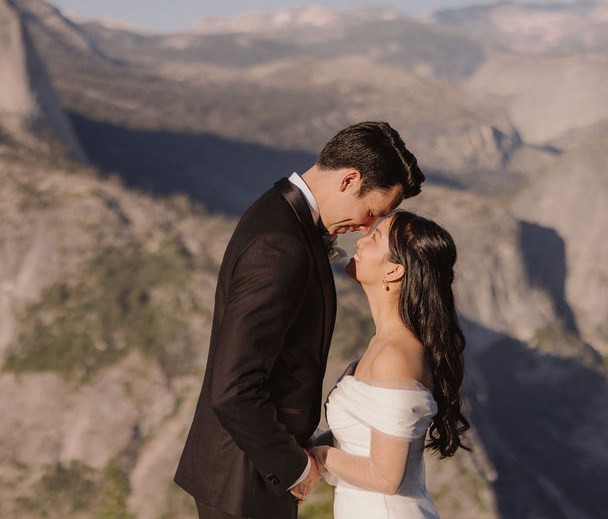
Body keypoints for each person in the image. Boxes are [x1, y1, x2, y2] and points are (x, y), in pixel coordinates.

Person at [175, 122, 425, 519]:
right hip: (245, 480)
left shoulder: (281, 214)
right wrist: (296, 468)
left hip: (249, 473)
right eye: (372, 212)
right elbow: (233, 387)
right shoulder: (282, 245)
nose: (365, 227)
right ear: (349, 179)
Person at [309, 211, 469, 518]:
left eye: (374, 238)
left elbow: (386, 477)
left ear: (394, 271)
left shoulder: (395, 356)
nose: (360, 241)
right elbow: (357, 439)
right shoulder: (383, 345)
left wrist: (318, 457)